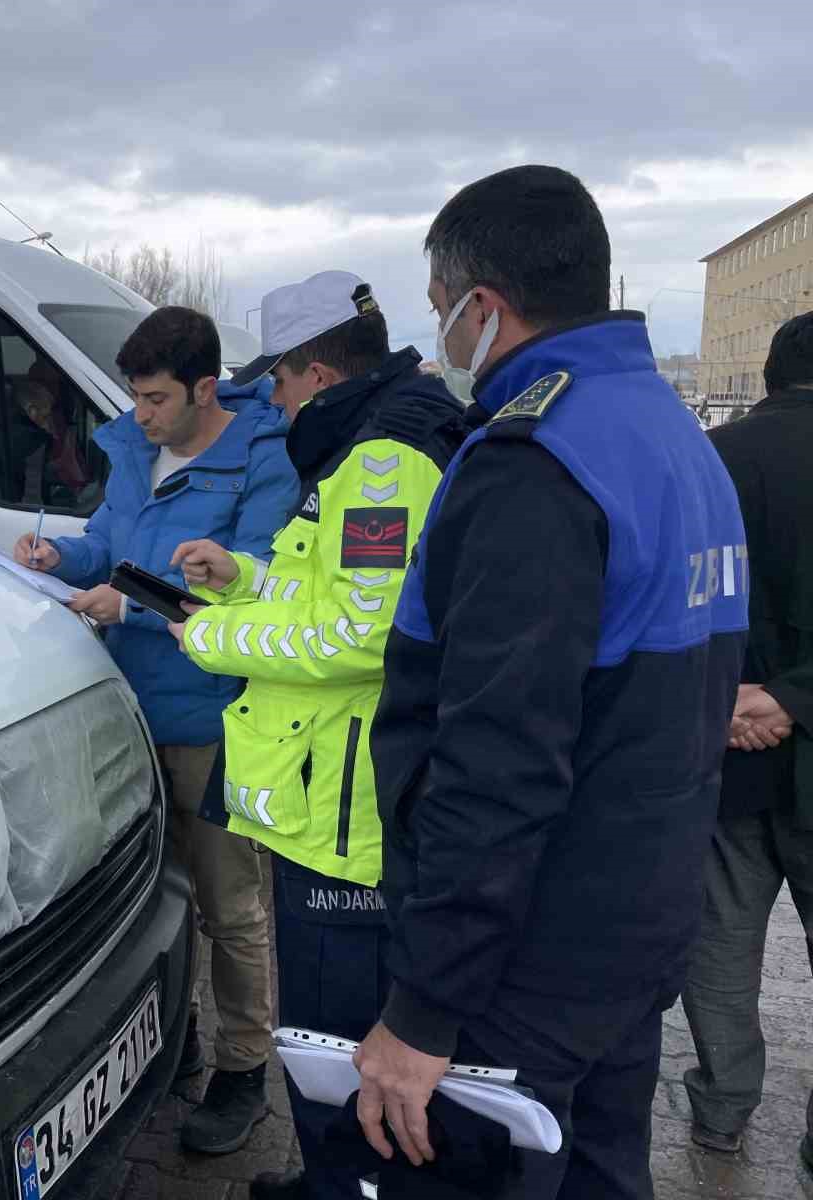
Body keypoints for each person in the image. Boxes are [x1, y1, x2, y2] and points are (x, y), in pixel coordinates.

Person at [360, 165, 748, 1198]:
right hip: (631, 931)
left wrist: (423, 1010)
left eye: (442, 309)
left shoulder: (532, 463)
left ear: (482, 308)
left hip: (519, 970)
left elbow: (497, 763)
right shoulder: (668, 435)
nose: (440, 333)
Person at [166, 272, 465, 1199]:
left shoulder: (382, 460)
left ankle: (344, 1187)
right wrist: (241, 577)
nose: (277, 402)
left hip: (346, 821)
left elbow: (364, 635)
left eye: (281, 383)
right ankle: (327, 1176)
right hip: (323, 801)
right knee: (325, 1029)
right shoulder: (357, 448)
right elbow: (326, 591)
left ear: (319, 370)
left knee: (336, 1041)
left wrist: (209, 635)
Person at [16, 305, 295, 1153]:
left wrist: (127, 606)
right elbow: (112, 542)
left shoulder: (264, 463)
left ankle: (244, 1068)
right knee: (153, 899)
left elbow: (252, 589)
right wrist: (64, 559)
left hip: (214, 720)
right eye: (135, 397)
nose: (139, 414)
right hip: (130, 714)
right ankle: (173, 1044)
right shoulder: (135, 451)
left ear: (205, 388)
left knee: (230, 904)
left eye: (155, 399)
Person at [681, 311, 813, 1169]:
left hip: (728, 749)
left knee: (722, 943)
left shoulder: (713, 463)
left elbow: (681, 600)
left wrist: (727, 701)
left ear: (765, 377)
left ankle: (723, 1107)